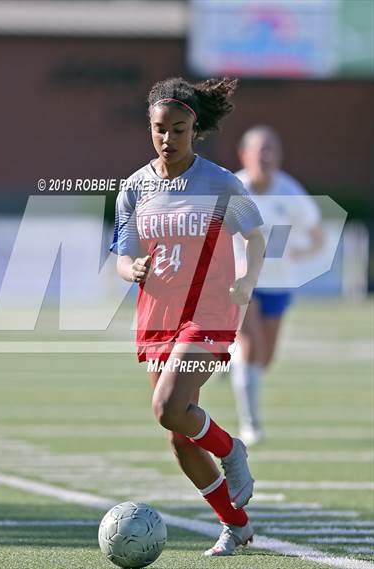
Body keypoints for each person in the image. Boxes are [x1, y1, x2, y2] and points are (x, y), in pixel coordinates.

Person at [110, 77, 266, 557]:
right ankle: (236, 525)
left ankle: (231, 450)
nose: (168, 139)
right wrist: (129, 267)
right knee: (179, 436)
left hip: (209, 311)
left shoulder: (220, 183)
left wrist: (246, 281)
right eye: (160, 129)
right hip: (158, 314)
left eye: (178, 130)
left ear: (193, 129)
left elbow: (257, 236)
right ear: (150, 127)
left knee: (168, 407)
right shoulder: (134, 188)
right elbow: (121, 254)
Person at [230, 126, 324, 446]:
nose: (267, 157)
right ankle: (250, 425)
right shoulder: (234, 189)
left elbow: (317, 237)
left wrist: (300, 252)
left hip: (278, 284)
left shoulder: (290, 191)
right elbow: (209, 236)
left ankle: (229, 357)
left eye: (273, 150)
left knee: (265, 359)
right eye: (261, 150)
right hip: (242, 283)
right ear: (245, 155)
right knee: (251, 347)